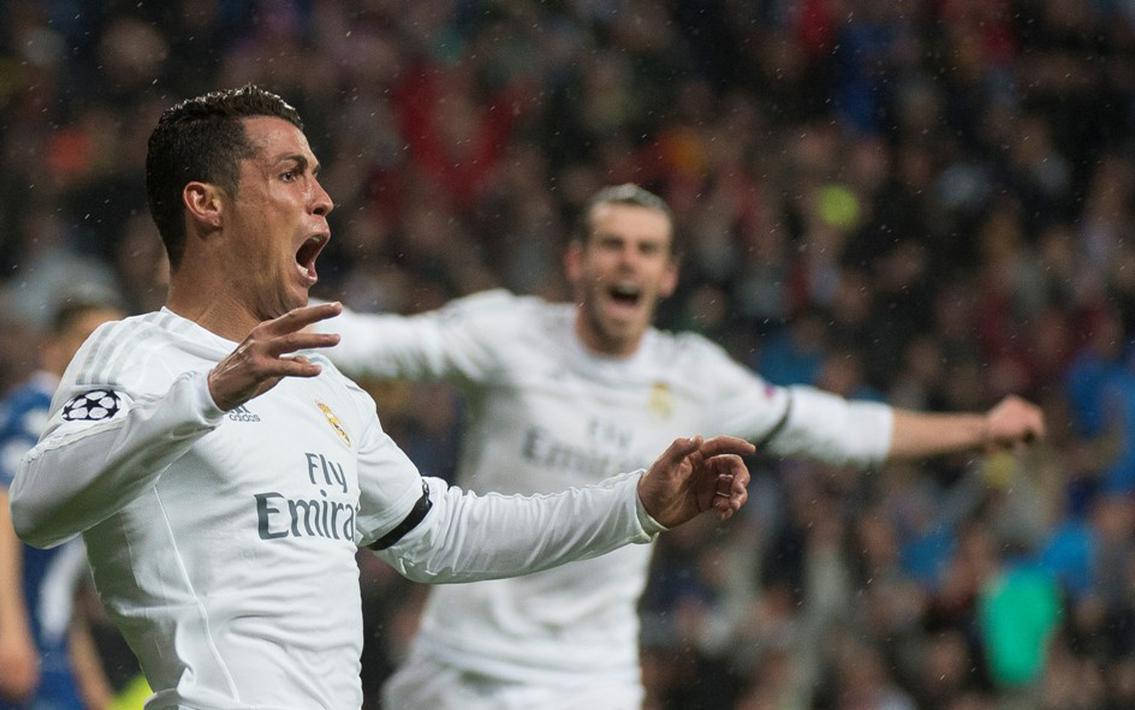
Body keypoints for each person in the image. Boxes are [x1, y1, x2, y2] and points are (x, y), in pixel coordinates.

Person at [6, 86, 755, 710]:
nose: (323, 199)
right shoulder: (138, 352)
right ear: (207, 204)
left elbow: (447, 535)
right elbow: (38, 508)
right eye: (291, 175)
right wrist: (208, 394)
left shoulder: (322, 386)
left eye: (317, 176)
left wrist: (634, 505)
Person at [315, 183, 1048, 710]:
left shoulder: (695, 376)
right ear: (576, 261)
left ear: (667, 274)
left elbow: (839, 428)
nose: (626, 262)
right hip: (458, 669)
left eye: (646, 250)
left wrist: (977, 430)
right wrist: (259, 316)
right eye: (611, 245)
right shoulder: (506, 333)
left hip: (589, 681)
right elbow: (377, 340)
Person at [0, 301, 121, 709]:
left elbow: (55, 581)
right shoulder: (41, 412)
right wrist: (9, 630)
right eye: (88, 338)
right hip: (4, 642)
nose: (102, 351)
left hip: (38, 642)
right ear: (51, 348)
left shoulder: (74, 420)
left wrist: (91, 685)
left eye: (113, 340)